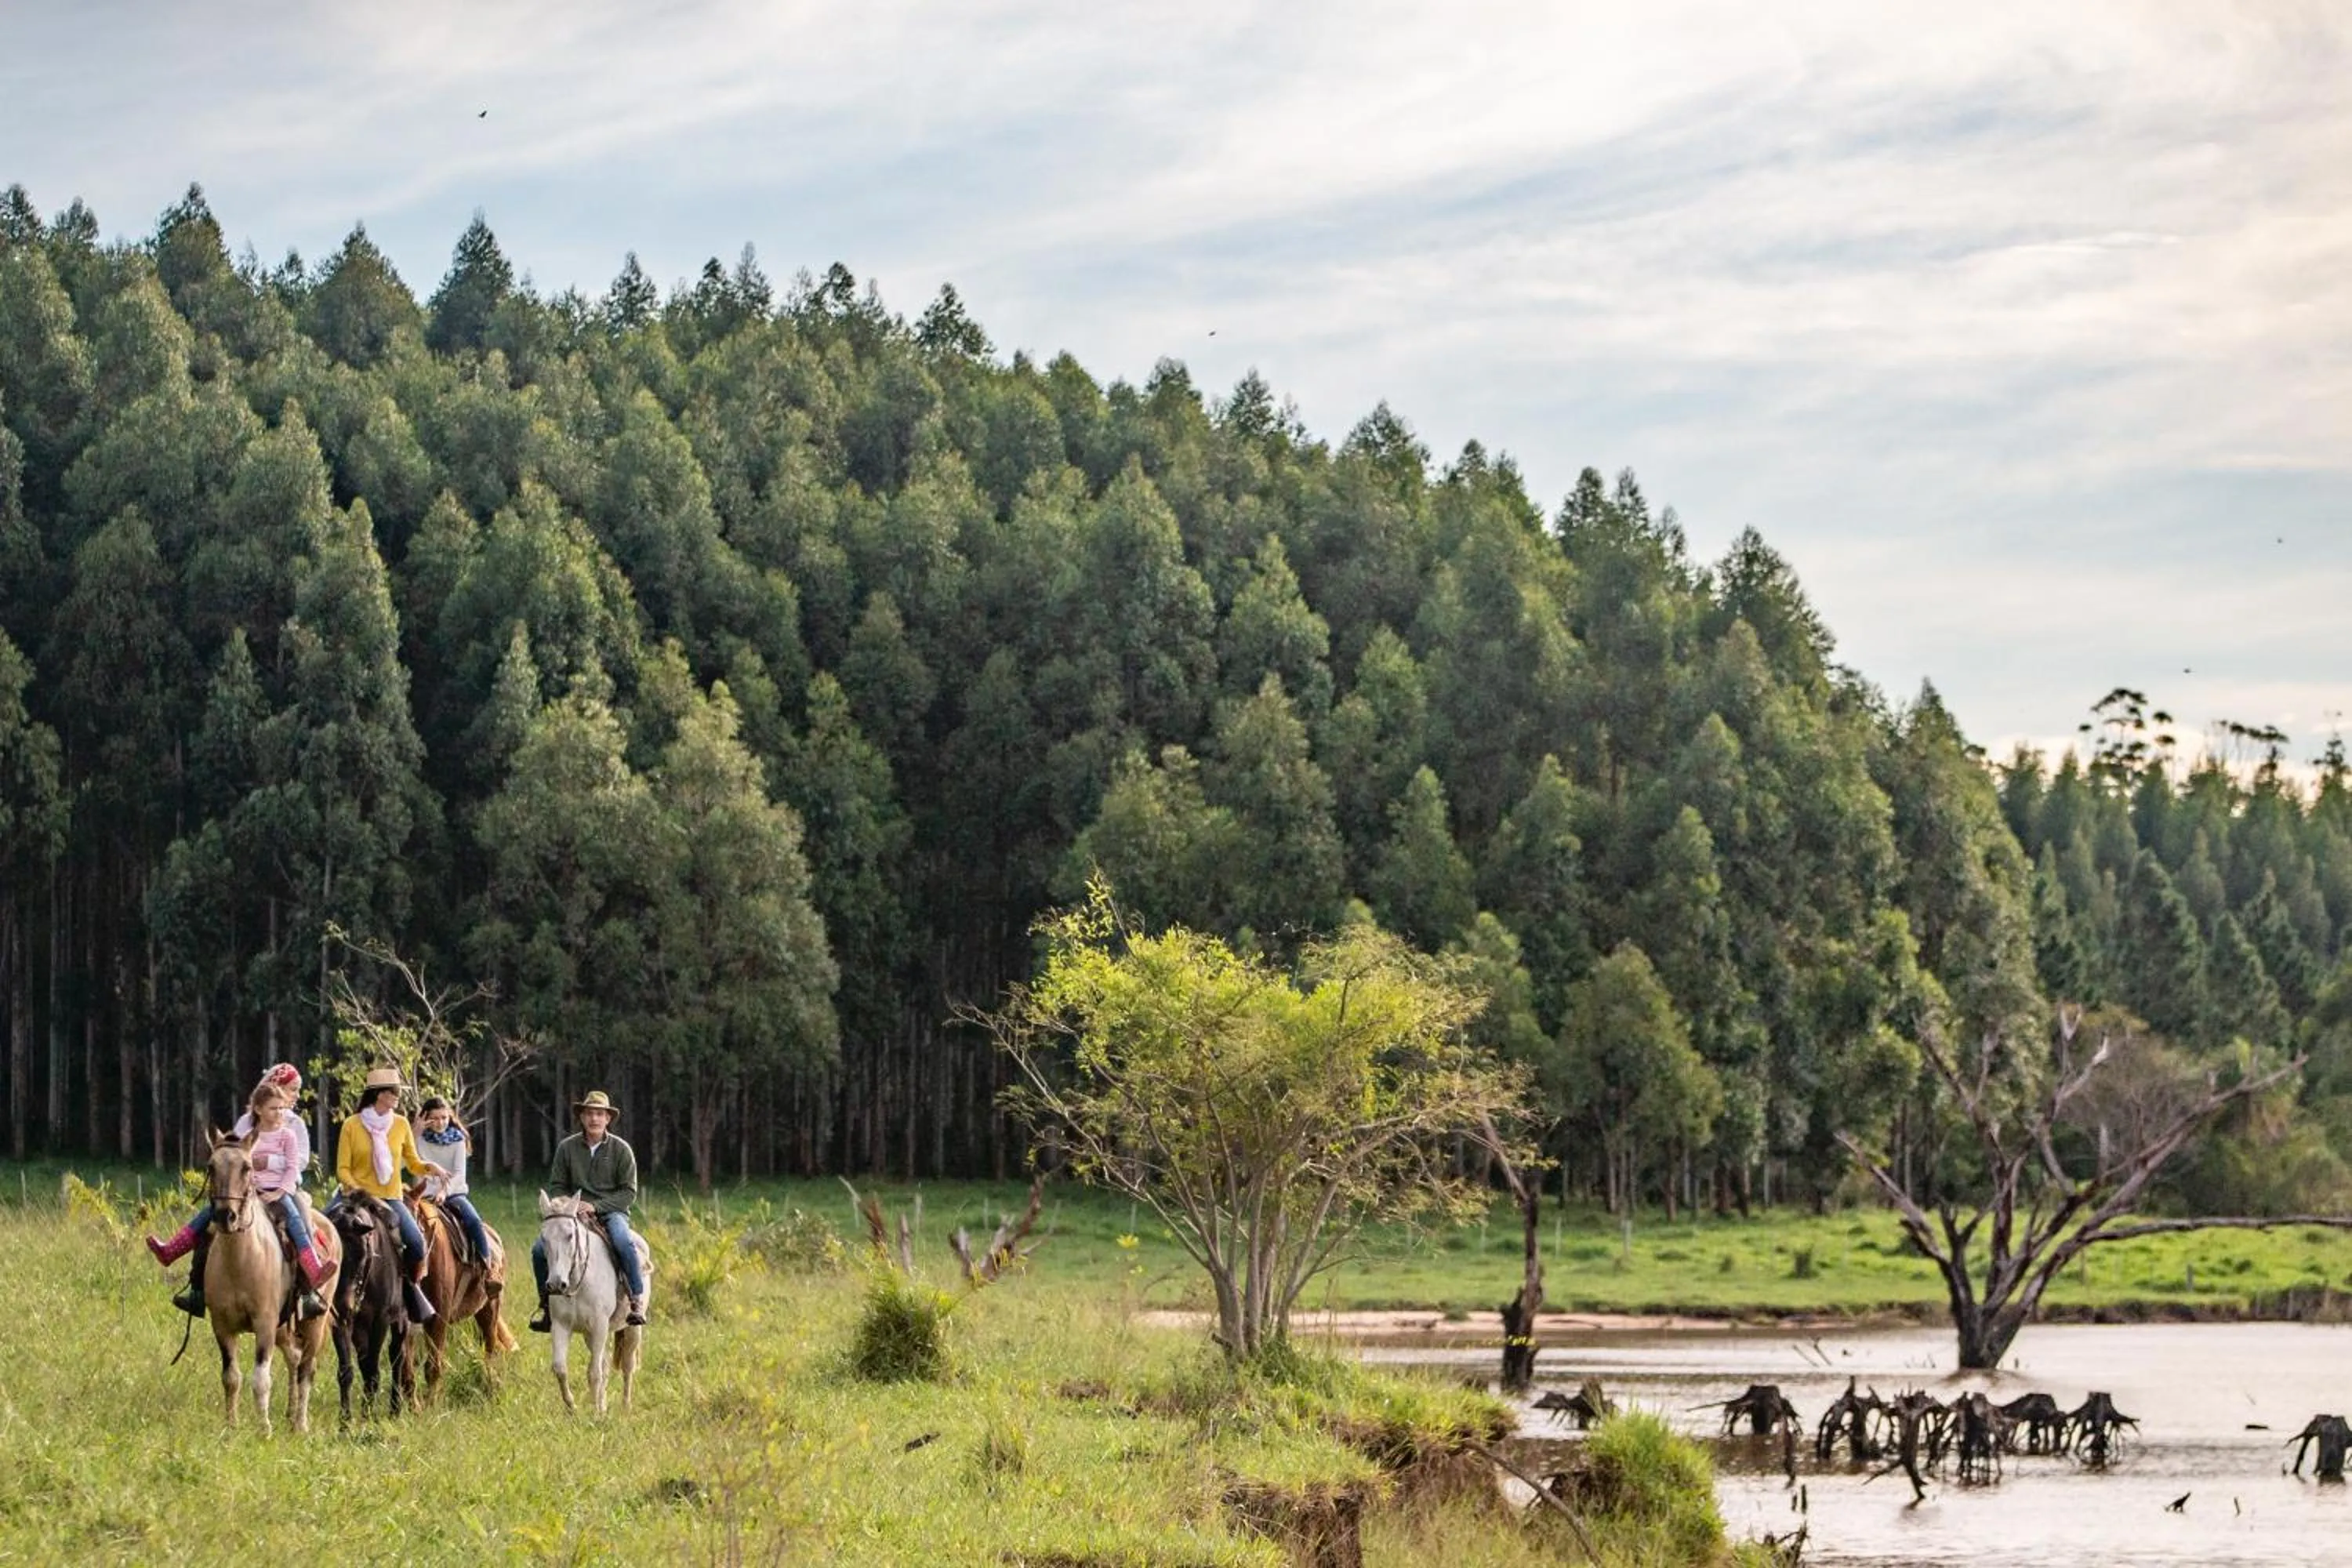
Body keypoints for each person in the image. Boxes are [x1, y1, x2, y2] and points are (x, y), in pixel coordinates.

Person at [145, 1064, 329, 1319]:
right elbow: (233, 1155)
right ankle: (189, 1276)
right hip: (247, 1189)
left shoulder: (293, 1125)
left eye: (296, 1091)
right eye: (292, 1089)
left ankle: (309, 1287)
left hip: (284, 1187)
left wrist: (271, 1165)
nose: (296, 1095)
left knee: (300, 1221)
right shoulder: (246, 1122)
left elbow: (301, 1160)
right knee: (209, 1220)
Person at [530, 1089, 646, 1331]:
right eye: (590, 1114)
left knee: (624, 1242)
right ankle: (546, 1304)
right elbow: (557, 1185)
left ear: (608, 1119)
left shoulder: (621, 1150)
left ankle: (636, 1300)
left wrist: (596, 1206)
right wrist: (569, 1205)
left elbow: (628, 1193)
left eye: (599, 1114)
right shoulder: (567, 1148)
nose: (594, 1119)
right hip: (573, 1213)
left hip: (611, 1211)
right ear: (582, 1118)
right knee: (540, 1249)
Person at [332, 1065, 439, 1323]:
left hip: (390, 1198)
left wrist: (428, 1167)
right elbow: (342, 1169)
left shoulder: (401, 1124)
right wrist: (357, 1189)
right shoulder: (351, 1125)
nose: (398, 1096)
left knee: (416, 1243)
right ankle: (318, 1294)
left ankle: (409, 1291)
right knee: (322, 1232)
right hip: (354, 1196)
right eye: (394, 1092)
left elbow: (412, 1162)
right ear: (379, 1094)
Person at [414, 1095, 493, 1261]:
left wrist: (444, 1192)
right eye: (434, 1118)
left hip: (452, 1194)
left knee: (473, 1221)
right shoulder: (419, 1140)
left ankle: (487, 1264)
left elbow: (459, 1174)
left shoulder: (458, 1140)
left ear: (450, 1117)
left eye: (444, 1118)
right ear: (425, 1118)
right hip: (423, 1196)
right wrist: (414, 1134)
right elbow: (405, 1162)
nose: (440, 1123)